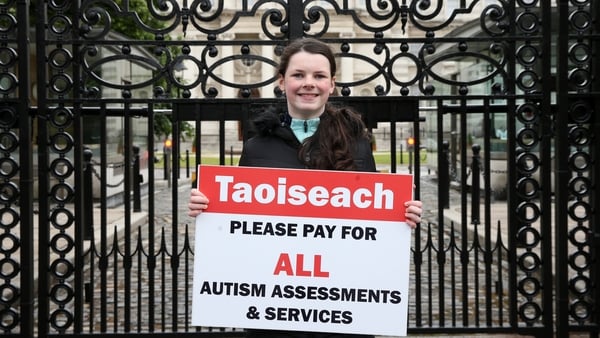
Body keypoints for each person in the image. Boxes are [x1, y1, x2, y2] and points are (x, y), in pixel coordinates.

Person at [189, 37, 422, 338]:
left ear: (332, 84)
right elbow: (239, 225)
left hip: (341, 312)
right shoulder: (256, 147)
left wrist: (403, 214)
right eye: (298, 75)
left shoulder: (357, 145)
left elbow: (373, 225)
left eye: (319, 76)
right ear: (282, 81)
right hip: (273, 313)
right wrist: (207, 208)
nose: (308, 83)